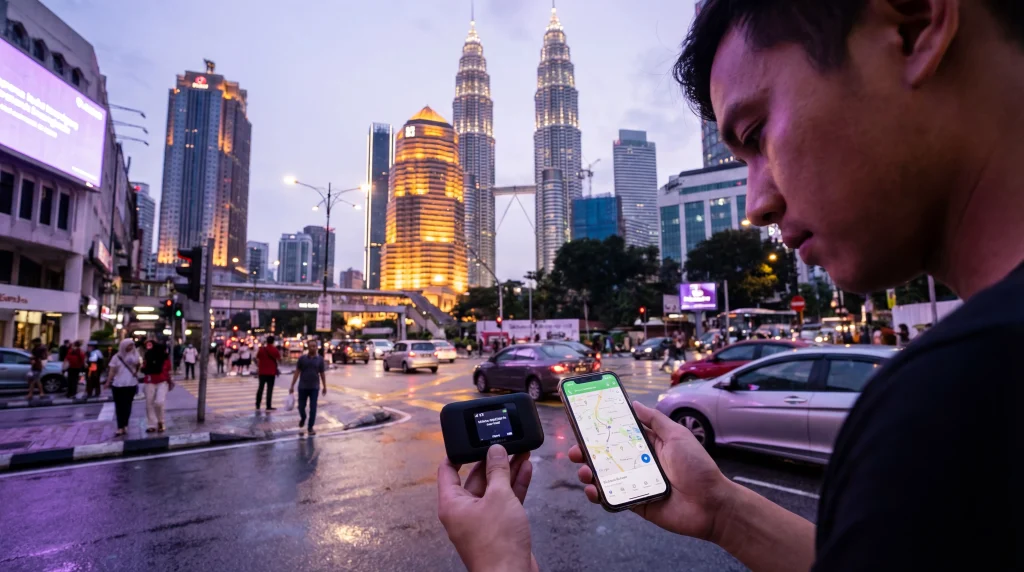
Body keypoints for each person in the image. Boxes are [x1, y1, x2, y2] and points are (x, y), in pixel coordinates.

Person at [438, 2, 1021, 571]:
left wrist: (501, 562)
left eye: (757, 132)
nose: (760, 203)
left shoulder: (960, 401)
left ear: (914, 27)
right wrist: (723, 513)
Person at [104, 339, 140, 436]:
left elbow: (138, 365)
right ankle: (120, 427)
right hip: (118, 385)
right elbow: (112, 371)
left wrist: (136, 371)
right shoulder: (116, 357)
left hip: (131, 384)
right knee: (119, 407)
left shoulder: (135, 355)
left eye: (132, 346)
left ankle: (125, 425)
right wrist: (108, 382)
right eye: (129, 345)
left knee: (127, 406)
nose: (131, 348)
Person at [289, 341, 326, 436]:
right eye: (311, 346)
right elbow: (297, 372)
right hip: (302, 387)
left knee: (313, 408)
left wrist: (324, 386)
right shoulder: (302, 359)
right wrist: (292, 385)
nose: (313, 348)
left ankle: (310, 427)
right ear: (308, 348)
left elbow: (322, 373)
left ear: (317, 347)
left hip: (314, 387)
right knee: (301, 406)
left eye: (314, 346)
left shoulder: (320, 360)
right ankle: (303, 417)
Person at [141, 340, 172, 433]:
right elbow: (143, 368)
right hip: (149, 381)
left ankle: (160, 421)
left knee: (159, 402)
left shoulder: (165, 357)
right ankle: (151, 425)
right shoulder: (147, 355)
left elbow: (168, 369)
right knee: (149, 403)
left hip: (162, 382)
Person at [255, 336, 281, 412]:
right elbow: (279, 359)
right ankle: (268, 406)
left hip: (262, 372)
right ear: (273, 341)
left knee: (260, 388)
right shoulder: (275, 350)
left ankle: (257, 404)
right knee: (269, 389)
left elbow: (257, 357)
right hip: (271, 373)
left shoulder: (261, 349)